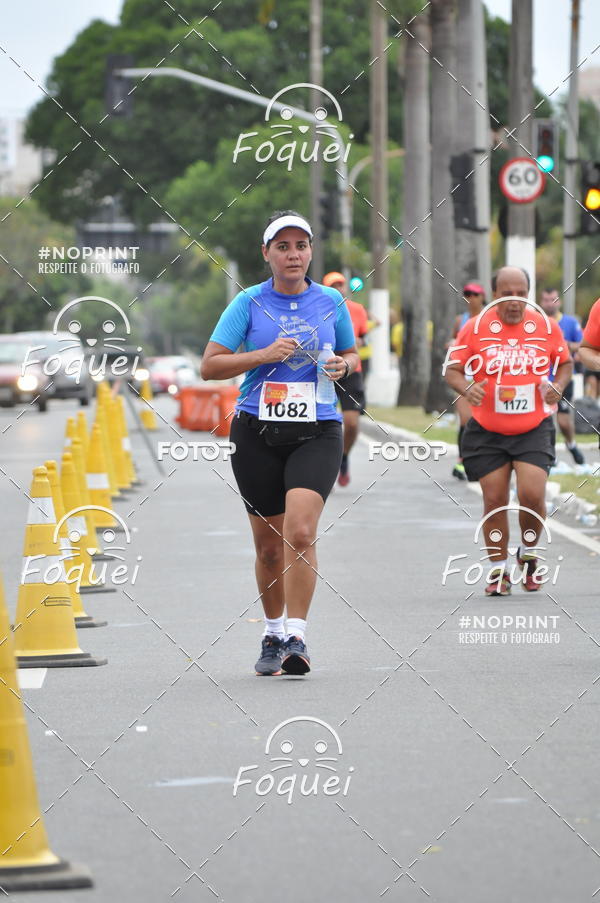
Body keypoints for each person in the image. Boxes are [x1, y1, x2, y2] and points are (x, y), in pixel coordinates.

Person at [201, 211, 358, 676]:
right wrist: (263, 355)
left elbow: (351, 352)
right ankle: (272, 633)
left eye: (301, 246)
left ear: (311, 252)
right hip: (256, 432)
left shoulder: (331, 300)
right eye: (283, 247)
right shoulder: (248, 302)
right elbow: (210, 366)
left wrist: (345, 366)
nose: (293, 255)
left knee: (301, 532)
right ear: (266, 253)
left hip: (318, 428)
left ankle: (297, 637)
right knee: (269, 547)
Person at [444, 266, 572, 596]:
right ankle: (498, 571)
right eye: (506, 294)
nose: (514, 301)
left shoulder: (546, 326)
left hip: (533, 427)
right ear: (494, 295)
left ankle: (528, 554)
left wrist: (558, 386)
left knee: (532, 495)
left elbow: (565, 362)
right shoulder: (475, 327)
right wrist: (467, 388)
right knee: (495, 500)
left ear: (529, 294)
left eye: (521, 294)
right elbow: (452, 370)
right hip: (488, 430)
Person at [322, 271, 368, 486]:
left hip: (350, 371)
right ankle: (325, 467)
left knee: (351, 423)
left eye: (341, 285)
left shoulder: (357, 310)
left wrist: (357, 342)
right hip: (324, 371)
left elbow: (364, 339)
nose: (339, 289)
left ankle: (344, 456)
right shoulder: (319, 309)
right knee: (323, 424)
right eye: (334, 286)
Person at [539, 288, 585, 465]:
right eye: (546, 300)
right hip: (541, 380)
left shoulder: (570, 322)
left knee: (564, 421)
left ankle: (571, 445)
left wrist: (565, 346)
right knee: (544, 420)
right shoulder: (536, 322)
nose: (549, 303)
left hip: (563, 379)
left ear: (559, 301)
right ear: (541, 302)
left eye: (553, 299)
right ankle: (549, 456)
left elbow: (583, 345)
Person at [451, 282, 486, 481]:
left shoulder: (489, 318)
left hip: (485, 377)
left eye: (475, 294)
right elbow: (454, 343)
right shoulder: (460, 320)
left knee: (483, 420)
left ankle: (481, 460)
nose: (471, 298)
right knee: (466, 420)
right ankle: (461, 461)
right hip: (465, 377)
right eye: (467, 294)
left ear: (482, 297)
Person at [579, 297, 600, 427]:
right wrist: (597, 361)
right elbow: (585, 349)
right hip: (592, 371)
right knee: (593, 385)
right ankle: (592, 406)